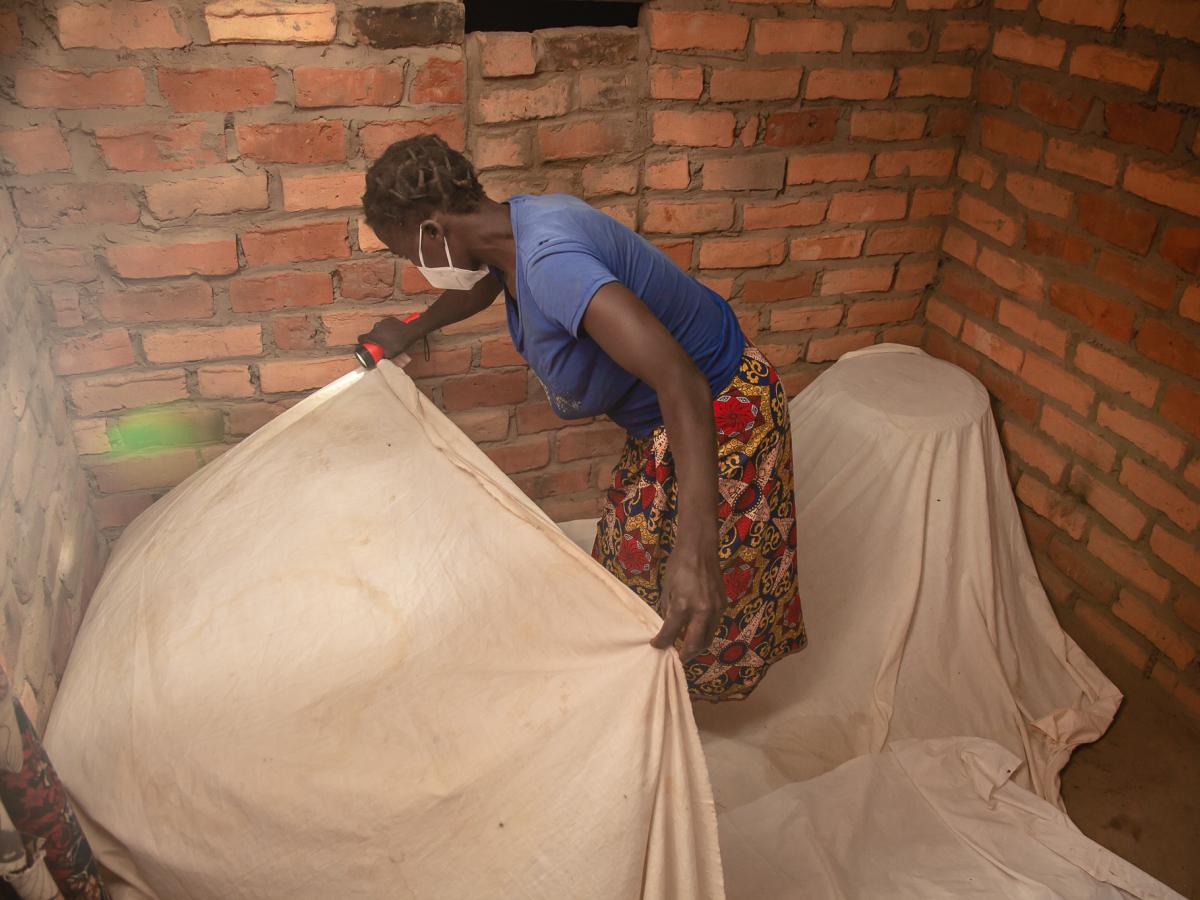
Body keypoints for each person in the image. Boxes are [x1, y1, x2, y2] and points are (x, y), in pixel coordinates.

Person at [357, 134, 806, 701]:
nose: (415, 266)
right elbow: (483, 284)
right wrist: (413, 328)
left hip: (724, 415)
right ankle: (644, 700)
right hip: (669, 424)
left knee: (696, 602)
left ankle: (669, 718)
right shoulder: (510, 229)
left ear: (432, 232)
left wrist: (698, 551)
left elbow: (681, 381)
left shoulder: (552, 261)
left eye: (408, 254)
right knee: (629, 571)